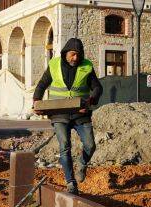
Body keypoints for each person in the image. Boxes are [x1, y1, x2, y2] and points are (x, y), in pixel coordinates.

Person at [33, 38, 102, 194]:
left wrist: (90, 101)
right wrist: (37, 102)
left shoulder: (86, 66)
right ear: (65, 53)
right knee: (64, 146)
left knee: (90, 145)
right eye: (72, 55)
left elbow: (97, 87)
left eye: (78, 55)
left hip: (80, 114)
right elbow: (42, 84)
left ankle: (82, 164)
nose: (75, 58)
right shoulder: (54, 65)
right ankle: (71, 182)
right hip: (59, 114)